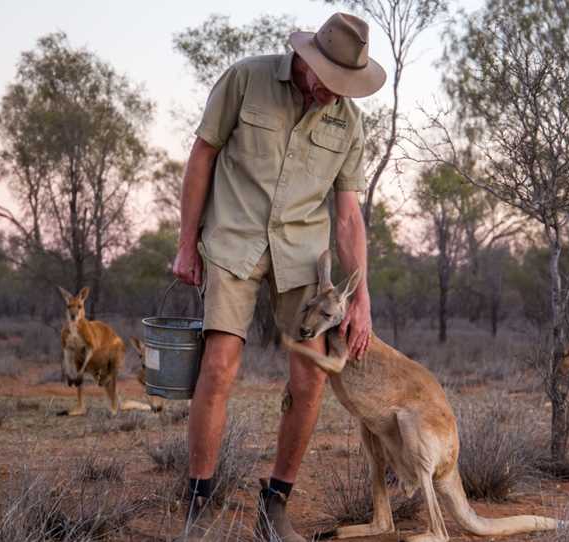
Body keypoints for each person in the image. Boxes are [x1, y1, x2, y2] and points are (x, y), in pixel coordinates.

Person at [171, 12, 385, 541]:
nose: (337, 95)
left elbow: (349, 217)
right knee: (219, 364)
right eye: (331, 83)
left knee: (311, 375)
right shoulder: (246, 79)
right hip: (233, 240)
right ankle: (199, 510)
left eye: (347, 86)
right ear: (309, 65)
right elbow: (202, 155)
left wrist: (361, 299)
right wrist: (186, 242)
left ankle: (275, 504)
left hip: (303, 256)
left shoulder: (348, 122)